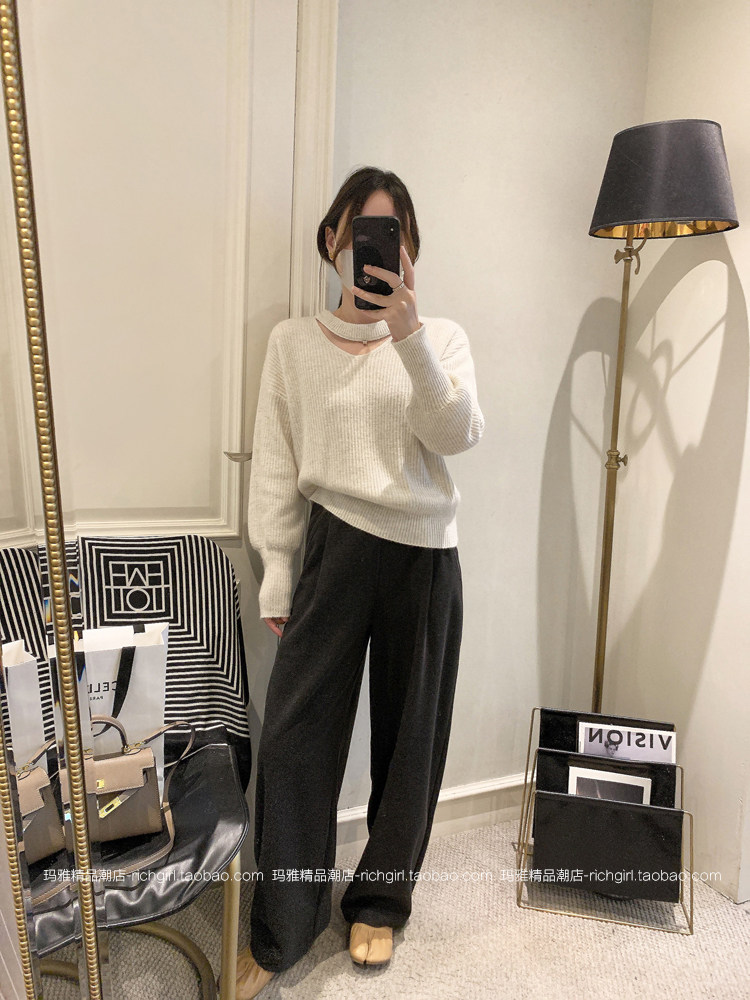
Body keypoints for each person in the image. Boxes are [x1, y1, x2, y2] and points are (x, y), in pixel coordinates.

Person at [237, 165, 485, 998]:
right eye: (362, 234)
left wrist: (408, 336)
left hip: (423, 555)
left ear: (409, 251)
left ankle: (380, 901)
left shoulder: (440, 337)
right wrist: (278, 574)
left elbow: (456, 435)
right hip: (333, 547)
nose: (377, 250)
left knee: (411, 739)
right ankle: (286, 919)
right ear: (333, 243)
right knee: (295, 743)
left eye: (394, 235)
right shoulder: (291, 343)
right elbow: (275, 465)